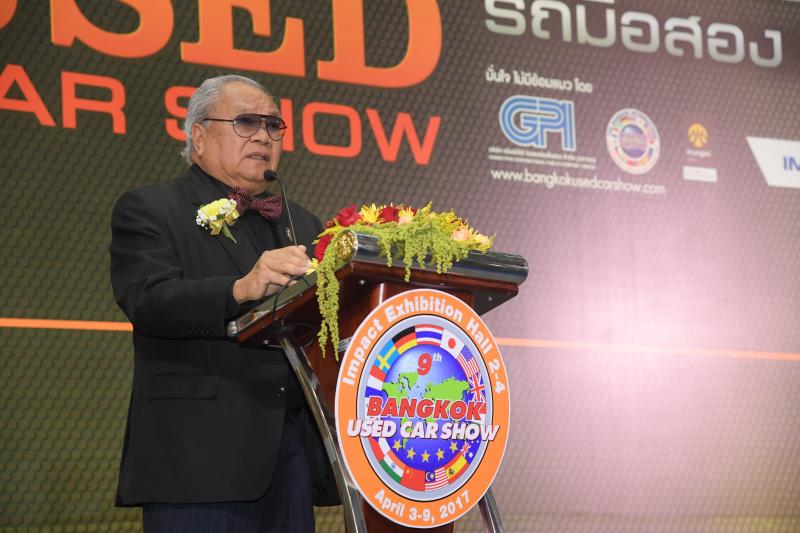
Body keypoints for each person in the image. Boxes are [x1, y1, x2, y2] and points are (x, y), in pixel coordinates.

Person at [110, 74, 337, 532]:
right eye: (246, 122)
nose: (263, 136)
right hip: (198, 463)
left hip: (290, 459)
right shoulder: (152, 209)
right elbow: (149, 300)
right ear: (198, 136)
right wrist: (239, 289)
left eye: (273, 125)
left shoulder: (301, 222)